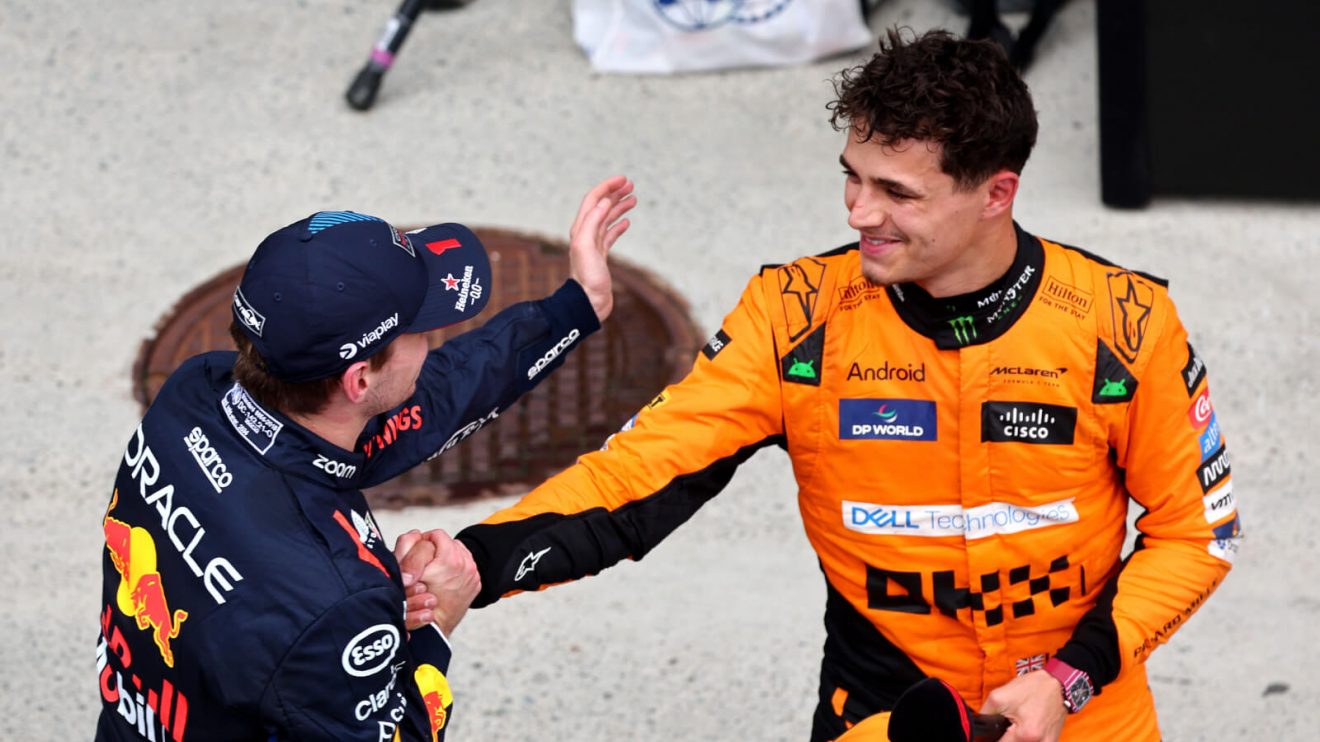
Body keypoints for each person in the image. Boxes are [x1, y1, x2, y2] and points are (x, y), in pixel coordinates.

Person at [446, 30, 1240, 741]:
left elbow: (1197, 532)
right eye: (852, 177)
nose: (860, 212)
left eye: (898, 193)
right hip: (886, 715)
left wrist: (1069, 679)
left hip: (1084, 709)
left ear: (997, 193)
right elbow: (641, 474)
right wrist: (476, 561)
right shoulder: (794, 317)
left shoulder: (1125, 320)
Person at [94, 176, 636, 741]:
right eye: (420, 329)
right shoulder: (333, 601)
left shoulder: (196, 392)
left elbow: (435, 397)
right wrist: (436, 626)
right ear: (358, 380)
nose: (433, 340)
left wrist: (579, 305)